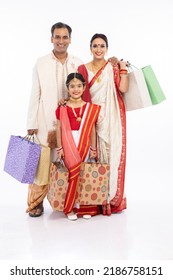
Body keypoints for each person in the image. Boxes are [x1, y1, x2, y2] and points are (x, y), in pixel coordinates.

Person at [26, 22, 83, 217]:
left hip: (70, 125)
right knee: (41, 165)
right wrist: (31, 123)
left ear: (70, 40)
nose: (61, 41)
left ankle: (64, 200)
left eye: (64, 37)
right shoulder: (41, 63)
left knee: (65, 163)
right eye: (57, 37)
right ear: (51, 39)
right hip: (44, 122)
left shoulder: (78, 62)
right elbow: (35, 94)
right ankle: (36, 203)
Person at [78, 33, 129, 215]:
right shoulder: (82, 68)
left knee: (111, 156)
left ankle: (109, 200)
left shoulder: (112, 67)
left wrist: (122, 68)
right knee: (94, 156)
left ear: (107, 48)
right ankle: (94, 200)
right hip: (91, 117)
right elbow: (78, 94)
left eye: (102, 46)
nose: (98, 49)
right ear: (90, 48)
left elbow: (122, 89)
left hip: (111, 116)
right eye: (95, 46)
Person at [55, 72, 100, 220]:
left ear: (84, 87)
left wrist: (93, 148)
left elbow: (92, 129)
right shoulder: (63, 107)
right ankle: (70, 208)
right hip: (68, 143)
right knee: (72, 175)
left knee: (83, 174)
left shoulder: (89, 108)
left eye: (79, 86)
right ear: (67, 88)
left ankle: (85, 207)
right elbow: (59, 128)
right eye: (72, 86)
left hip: (85, 142)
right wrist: (60, 148)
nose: (76, 89)